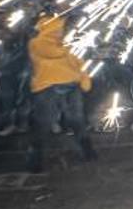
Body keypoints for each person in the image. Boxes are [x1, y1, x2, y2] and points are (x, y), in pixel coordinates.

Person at [26, 12, 97, 173]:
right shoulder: (36, 43)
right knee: (44, 124)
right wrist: (71, 45)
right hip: (47, 88)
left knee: (77, 120)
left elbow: (78, 63)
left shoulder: (65, 44)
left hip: (71, 87)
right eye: (58, 27)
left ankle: (88, 152)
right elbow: (53, 53)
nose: (61, 30)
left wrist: (84, 78)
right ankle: (34, 160)